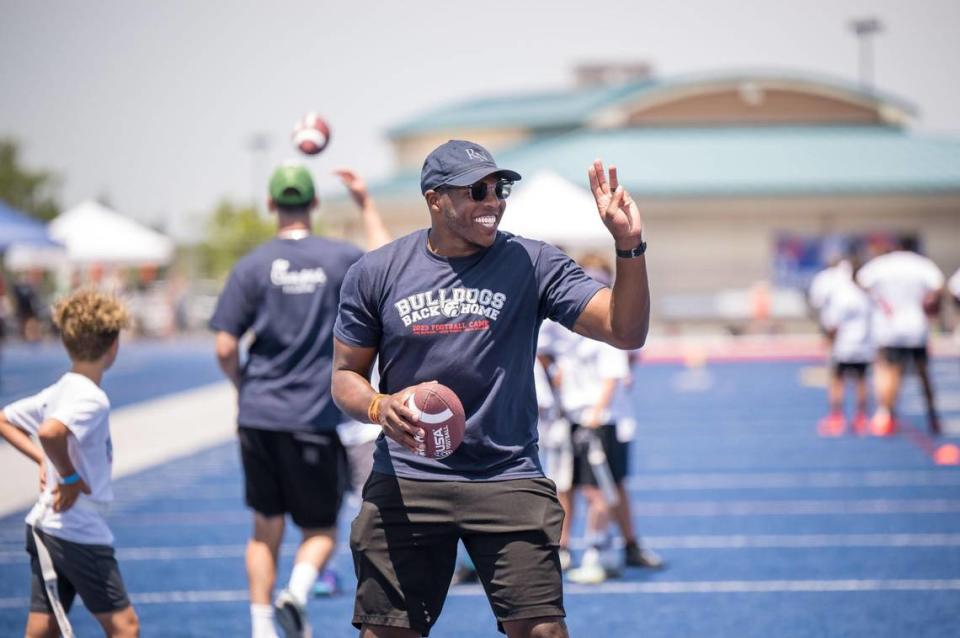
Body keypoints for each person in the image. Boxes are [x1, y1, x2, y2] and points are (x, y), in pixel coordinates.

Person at [332, 139, 650, 638]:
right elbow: (345, 376)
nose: (494, 201)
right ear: (435, 198)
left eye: (500, 188)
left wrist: (628, 246)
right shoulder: (377, 271)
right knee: (387, 633)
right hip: (409, 478)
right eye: (477, 190)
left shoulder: (532, 262)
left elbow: (625, 330)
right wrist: (378, 404)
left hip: (507, 474)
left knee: (544, 630)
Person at [210, 163, 388, 638]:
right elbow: (387, 260)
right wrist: (365, 202)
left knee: (263, 529)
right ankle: (298, 592)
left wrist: (241, 386)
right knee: (319, 530)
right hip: (313, 418)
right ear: (313, 205)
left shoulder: (251, 265)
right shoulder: (338, 257)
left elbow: (225, 346)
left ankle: (262, 626)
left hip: (259, 416)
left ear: (271, 205)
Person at [0, 289, 138, 637]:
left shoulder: (62, 388)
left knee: (43, 630)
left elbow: (5, 419)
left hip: (47, 526)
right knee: (126, 627)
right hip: (77, 529)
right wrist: (70, 475)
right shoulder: (92, 398)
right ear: (113, 346)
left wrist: (42, 462)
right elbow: (49, 432)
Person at [556, 255, 662, 585]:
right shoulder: (568, 323)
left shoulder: (608, 321)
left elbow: (614, 376)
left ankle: (596, 551)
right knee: (568, 487)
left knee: (600, 491)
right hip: (572, 417)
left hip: (598, 421)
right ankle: (564, 548)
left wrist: (594, 417)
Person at [856, 237, 945, 436]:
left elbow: (861, 281)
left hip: (891, 327)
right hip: (916, 326)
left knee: (891, 373)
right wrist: (928, 304)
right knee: (924, 376)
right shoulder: (922, 265)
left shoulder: (881, 265)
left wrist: (878, 299)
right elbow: (938, 287)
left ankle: (887, 415)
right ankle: (933, 417)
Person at [816, 254, 874, 436]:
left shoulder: (843, 296)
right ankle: (861, 417)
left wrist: (829, 341)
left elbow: (834, 324)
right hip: (863, 345)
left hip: (843, 346)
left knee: (837, 380)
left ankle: (836, 417)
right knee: (862, 381)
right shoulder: (866, 295)